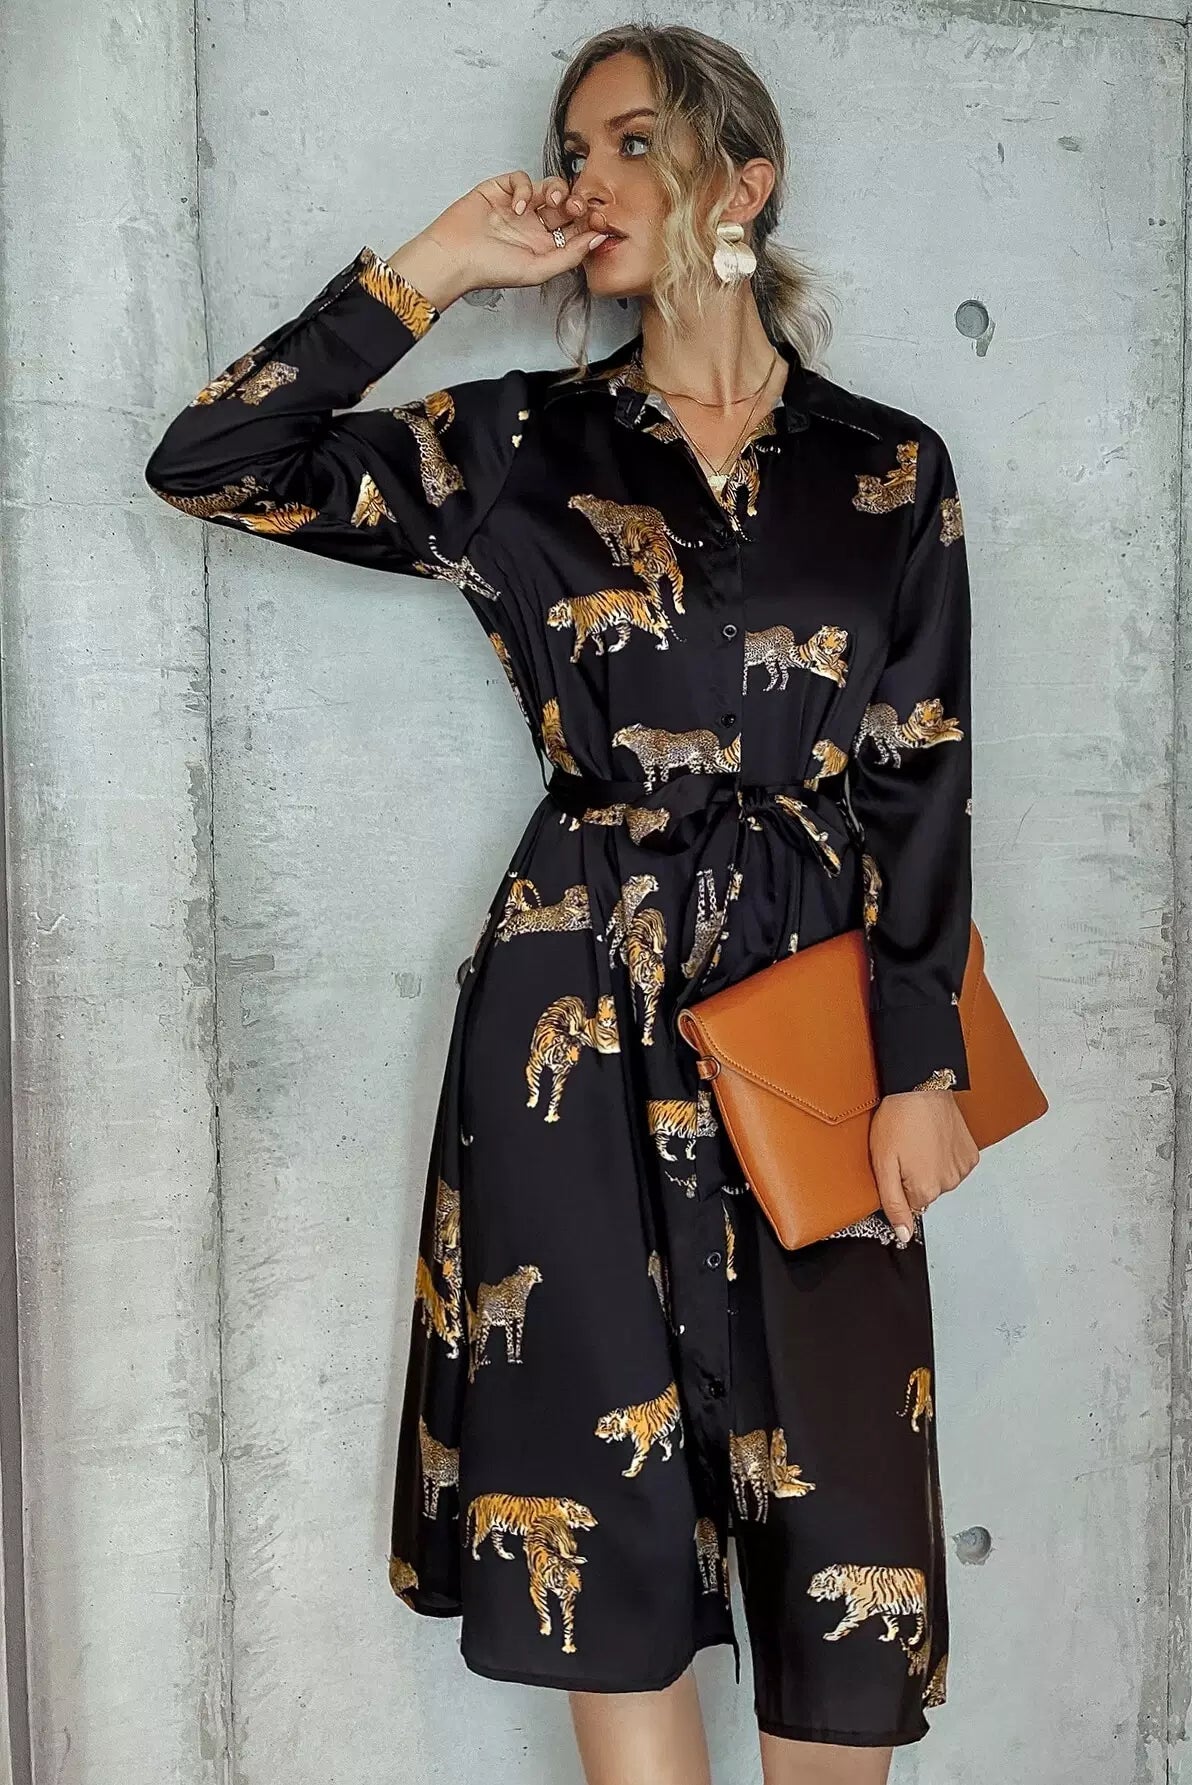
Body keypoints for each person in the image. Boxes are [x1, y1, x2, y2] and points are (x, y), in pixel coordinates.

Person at [143, 22, 980, 1783]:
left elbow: (920, 776)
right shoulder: (520, 443)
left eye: (631, 143)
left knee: (842, 1501)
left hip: (812, 1010)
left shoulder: (890, 465)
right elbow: (213, 461)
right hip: (577, 991)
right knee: (598, 1494)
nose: (584, 179)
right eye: (570, 148)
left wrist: (924, 1065)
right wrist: (437, 267)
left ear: (741, 183)